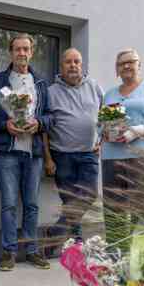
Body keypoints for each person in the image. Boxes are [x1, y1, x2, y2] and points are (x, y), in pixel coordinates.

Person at [0, 33, 52, 272]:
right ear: (11, 53)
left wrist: (38, 124)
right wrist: (4, 125)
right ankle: (9, 252)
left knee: (31, 205)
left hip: (34, 153)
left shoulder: (40, 83)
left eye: (26, 49)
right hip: (6, 152)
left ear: (32, 52)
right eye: (17, 49)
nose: (21, 53)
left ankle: (31, 250)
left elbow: (51, 117)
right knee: (9, 204)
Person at [101, 48, 144, 243]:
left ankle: (138, 259)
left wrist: (138, 130)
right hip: (112, 157)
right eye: (121, 63)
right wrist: (105, 132)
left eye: (130, 61)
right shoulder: (109, 94)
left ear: (139, 65)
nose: (126, 66)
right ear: (116, 70)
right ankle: (116, 255)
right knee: (113, 210)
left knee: (143, 210)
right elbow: (103, 123)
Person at [44, 48, 103, 244]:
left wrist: (102, 141)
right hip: (62, 155)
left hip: (89, 154)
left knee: (89, 195)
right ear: (61, 67)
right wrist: (48, 158)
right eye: (68, 62)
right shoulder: (51, 92)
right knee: (70, 201)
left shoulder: (94, 87)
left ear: (82, 65)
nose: (73, 65)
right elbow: (43, 127)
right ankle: (76, 239)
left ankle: (55, 234)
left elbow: (109, 117)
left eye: (76, 61)